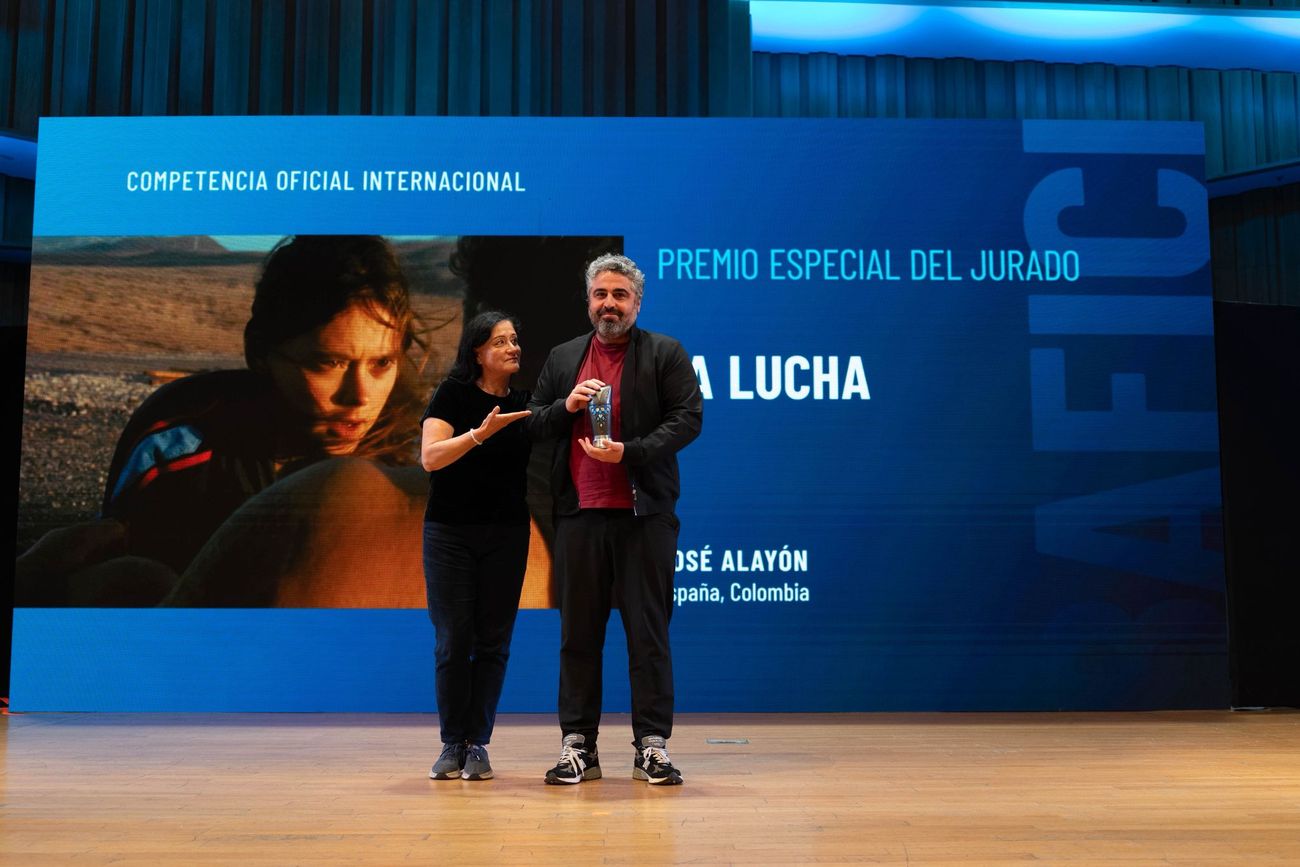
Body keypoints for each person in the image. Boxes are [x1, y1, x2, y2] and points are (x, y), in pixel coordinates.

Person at [98, 235, 426, 602]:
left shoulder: (411, 462)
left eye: (382, 363)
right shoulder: (178, 447)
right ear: (259, 352)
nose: (360, 396)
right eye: (329, 363)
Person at [528, 253, 703, 785]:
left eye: (620, 295)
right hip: (578, 516)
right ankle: (578, 745)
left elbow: (688, 419)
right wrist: (565, 407)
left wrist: (631, 452)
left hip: (643, 516)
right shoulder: (564, 357)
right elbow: (533, 422)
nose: (609, 304)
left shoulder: (665, 352)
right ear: (588, 301)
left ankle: (652, 746)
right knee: (578, 636)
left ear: (637, 303)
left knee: (648, 635)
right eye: (601, 294)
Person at [419, 311, 531, 781]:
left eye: (514, 339)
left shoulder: (524, 403)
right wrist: (479, 435)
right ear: (478, 352)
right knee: (453, 640)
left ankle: (477, 744)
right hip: (450, 534)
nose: (512, 347)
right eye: (500, 341)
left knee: (494, 643)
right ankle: (452, 743)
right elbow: (430, 457)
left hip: (507, 535)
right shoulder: (453, 393)